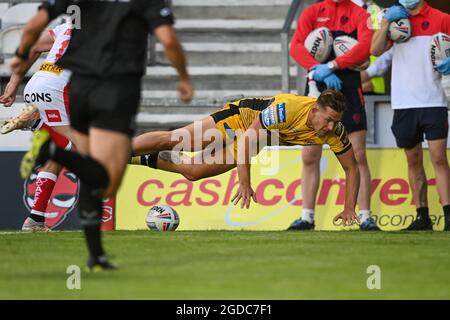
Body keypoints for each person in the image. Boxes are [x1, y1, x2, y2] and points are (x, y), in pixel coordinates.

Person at [13, 0, 193, 270]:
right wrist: (184, 78)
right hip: (110, 94)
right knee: (104, 177)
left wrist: (16, 69)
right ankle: (52, 151)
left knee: (87, 163)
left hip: (63, 87)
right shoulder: (143, 8)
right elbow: (168, 41)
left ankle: (90, 251)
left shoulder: (81, 11)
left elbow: (33, 29)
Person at [131, 90, 361, 226]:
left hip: (258, 139)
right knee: (176, 140)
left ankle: (135, 159)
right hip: (238, 121)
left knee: (193, 172)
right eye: (328, 119)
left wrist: (349, 207)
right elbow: (246, 139)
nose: (331, 126)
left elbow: (352, 168)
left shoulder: (335, 132)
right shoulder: (286, 109)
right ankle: (119, 149)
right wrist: (244, 183)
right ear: (313, 111)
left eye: (336, 121)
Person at [289, 0, 379, 231]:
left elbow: (366, 46)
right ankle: (307, 217)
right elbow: (296, 46)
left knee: (357, 155)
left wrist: (334, 65)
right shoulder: (312, 12)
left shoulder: (359, 13)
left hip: (348, 85)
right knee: (310, 155)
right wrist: (314, 67)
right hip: (316, 85)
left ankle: (366, 216)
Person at [371, 0, 450, 231]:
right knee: (413, 159)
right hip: (404, 102)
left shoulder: (441, 18)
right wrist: (386, 22)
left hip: (434, 99)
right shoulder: (395, 19)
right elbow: (374, 50)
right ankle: (422, 216)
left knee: (438, 158)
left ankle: (448, 215)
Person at [1, 22, 75, 232]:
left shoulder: (68, 26)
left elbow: (32, 45)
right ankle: (37, 122)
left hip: (36, 85)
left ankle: (35, 219)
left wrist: (14, 82)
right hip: (60, 89)